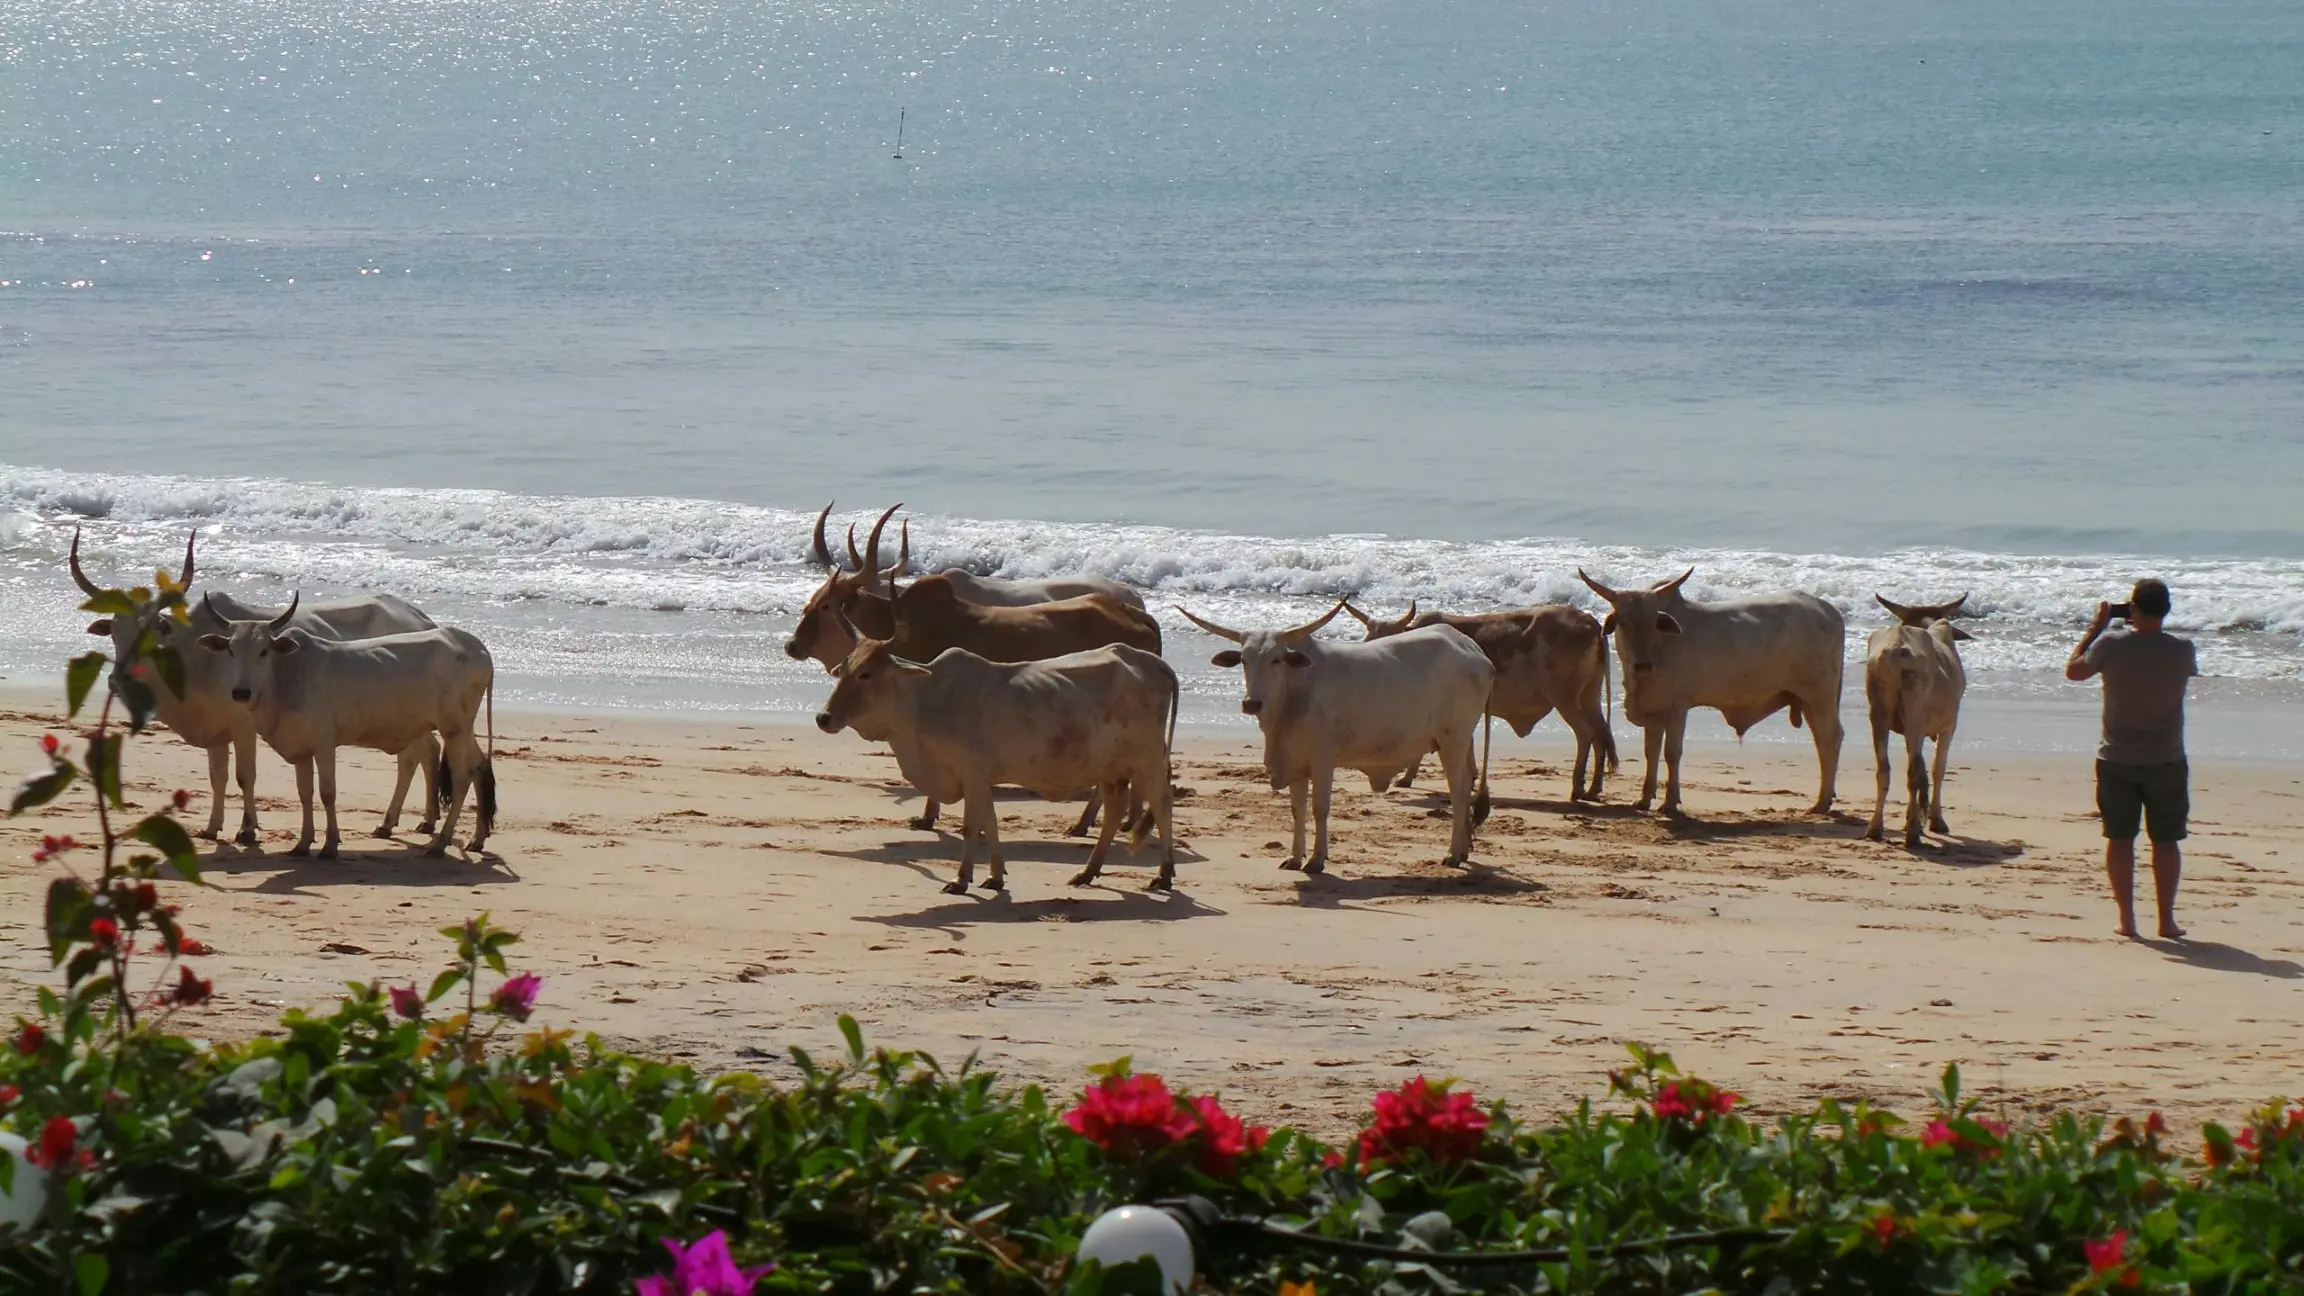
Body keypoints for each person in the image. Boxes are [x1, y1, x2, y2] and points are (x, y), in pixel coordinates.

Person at [2065, 578, 2198, 940]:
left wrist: (2095, 628)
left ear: (2133, 609)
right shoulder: (2182, 650)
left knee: (2120, 839)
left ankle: (2127, 919)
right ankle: (2166, 920)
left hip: (2117, 758)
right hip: (2166, 759)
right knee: (2166, 842)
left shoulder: (2110, 644)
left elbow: (2074, 671)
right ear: (2166, 609)